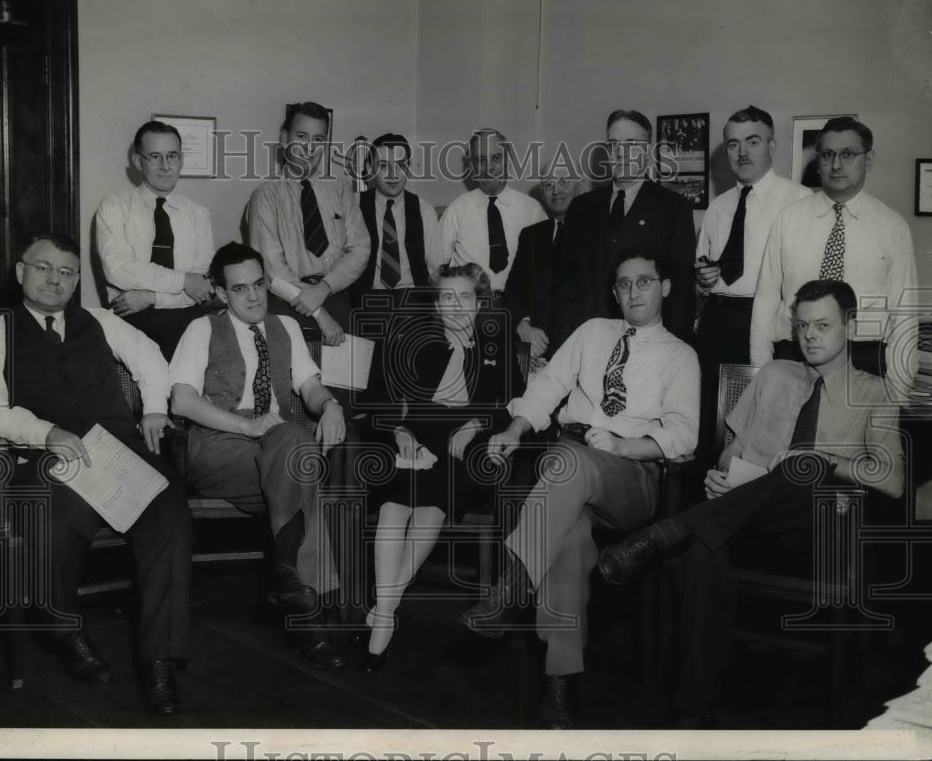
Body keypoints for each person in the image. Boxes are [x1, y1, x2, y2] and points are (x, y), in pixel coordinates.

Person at [599, 279, 905, 728]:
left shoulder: (875, 393)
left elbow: (893, 480)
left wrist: (821, 460)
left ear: (851, 326)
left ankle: (673, 530)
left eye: (822, 325)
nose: (810, 336)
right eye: (802, 326)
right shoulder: (775, 374)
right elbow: (733, 447)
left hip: (815, 534)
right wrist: (724, 475)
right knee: (706, 550)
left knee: (803, 469)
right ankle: (693, 708)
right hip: (740, 519)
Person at [460, 247, 699, 729]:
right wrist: (515, 429)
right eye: (624, 285)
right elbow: (549, 384)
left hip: (629, 479)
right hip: (566, 472)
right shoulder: (593, 332)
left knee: (568, 462)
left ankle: (512, 588)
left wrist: (625, 444)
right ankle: (560, 686)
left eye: (644, 282)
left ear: (665, 287)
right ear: (614, 292)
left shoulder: (680, 355)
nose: (633, 292)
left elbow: (683, 435)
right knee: (567, 543)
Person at [0, 234, 191, 716]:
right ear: (20, 271)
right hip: (44, 460)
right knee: (59, 512)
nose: (54, 279)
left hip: (118, 452)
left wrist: (153, 409)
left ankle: (159, 659)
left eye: (66, 272)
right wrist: (46, 433)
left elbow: (151, 359)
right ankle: (64, 628)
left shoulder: (101, 322)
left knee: (169, 505)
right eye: (43, 268)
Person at [169, 242, 347, 669]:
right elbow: (182, 402)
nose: (253, 297)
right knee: (302, 464)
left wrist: (332, 406)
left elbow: (309, 386)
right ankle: (307, 604)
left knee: (295, 451)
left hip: (278, 444)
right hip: (220, 442)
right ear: (220, 291)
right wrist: (248, 425)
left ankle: (289, 587)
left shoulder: (285, 326)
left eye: (259, 285)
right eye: (239, 288)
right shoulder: (202, 329)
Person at [358, 263, 524, 674]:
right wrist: (399, 432)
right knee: (397, 502)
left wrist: (475, 425)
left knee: (433, 502)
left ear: (479, 301)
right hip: (415, 433)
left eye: (465, 297)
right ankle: (387, 610)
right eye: (446, 298)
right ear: (436, 303)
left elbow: (514, 405)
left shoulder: (496, 342)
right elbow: (379, 396)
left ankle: (383, 612)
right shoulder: (415, 339)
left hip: (466, 445)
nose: (456, 307)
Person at [749, 117, 918, 399]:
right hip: (794, 354)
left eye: (848, 154)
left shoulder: (892, 227)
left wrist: (897, 392)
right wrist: (761, 371)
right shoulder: (789, 218)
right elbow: (765, 300)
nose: (836, 165)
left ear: (869, 158)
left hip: (862, 358)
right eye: (828, 155)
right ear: (818, 160)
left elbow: (905, 314)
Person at [693, 106, 811, 457]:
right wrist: (703, 279)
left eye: (753, 141)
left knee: (764, 428)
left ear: (772, 147)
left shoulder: (799, 201)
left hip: (770, 325)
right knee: (711, 421)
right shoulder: (719, 206)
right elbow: (703, 274)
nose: (742, 152)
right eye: (733, 144)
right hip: (717, 322)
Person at [554, 110, 697, 344]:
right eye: (613, 145)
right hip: (586, 344)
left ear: (649, 152)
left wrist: (670, 350)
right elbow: (563, 286)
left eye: (631, 144)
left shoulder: (673, 208)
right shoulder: (581, 208)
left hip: (645, 345)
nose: (621, 153)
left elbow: (680, 293)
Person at [247, 101, 369, 346]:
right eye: (301, 136)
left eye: (318, 139)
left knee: (342, 383)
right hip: (286, 305)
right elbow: (273, 271)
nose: (309, 148)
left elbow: (360, 249)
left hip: (336, 298)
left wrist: (324, 288)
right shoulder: (266, 196)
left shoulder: (341, 190)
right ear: (284, 138)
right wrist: (319, 314)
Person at [96, 120, 217, 359]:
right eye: (154, 157)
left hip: (186, 319)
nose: (165, 166)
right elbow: (118, 271)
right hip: (130, 317)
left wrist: (151, 298)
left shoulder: (198, 214)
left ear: (181, 159)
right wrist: (184, 280)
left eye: (172, 156)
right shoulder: (114, 207)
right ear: (137, 161)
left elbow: (202, 287)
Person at [435, 128, 547, 294]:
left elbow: (546, 269)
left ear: (508, 161)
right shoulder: (455, 210)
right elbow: (436, 270)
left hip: (518, 307)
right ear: (472, 167)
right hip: (470, 307)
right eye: (481, 160)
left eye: (496, 158)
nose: (489, 168)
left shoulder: (532, 210)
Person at [504, 160, 585, 364]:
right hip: (535, 357)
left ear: (579, 186)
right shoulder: (531, 236)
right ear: (542, 192)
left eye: (564, 182)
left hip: (581, 353)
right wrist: (523, 326)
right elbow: (512, 293)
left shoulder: (598, 233)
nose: (555, 190)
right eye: (548, 185)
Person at [348, 133, 439, 307]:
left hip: (414, 303)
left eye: (400, 165)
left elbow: (436, 270)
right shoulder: (353, 205)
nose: (393, 174)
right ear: (369, 167)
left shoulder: (424, 210)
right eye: (383, 166)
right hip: (367, 302)